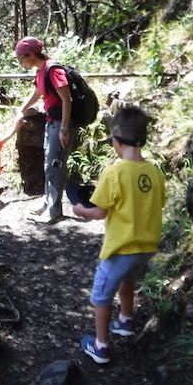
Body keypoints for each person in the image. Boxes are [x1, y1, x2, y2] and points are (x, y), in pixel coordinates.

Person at [71, 106, 165, 364]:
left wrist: (80, 210)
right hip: (146, 248)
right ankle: (125, 320)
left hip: (121, 249)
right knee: (128, 281)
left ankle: (100, 346)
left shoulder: (115, 172)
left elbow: (99, 212)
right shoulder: (155, 173)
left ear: (116, 141)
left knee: (101, 295)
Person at [15, 36, 78, 224]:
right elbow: (37, 93)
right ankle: (47, 202)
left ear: (32, 55)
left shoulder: (53, 70)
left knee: (55, 166)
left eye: (20, 59)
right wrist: (21, 109)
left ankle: (55, 212)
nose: (20, 62)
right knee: (49, 165)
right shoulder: (40, 71)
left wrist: (64, 129)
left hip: (61, 124)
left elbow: (67, 100)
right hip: (52, 123)